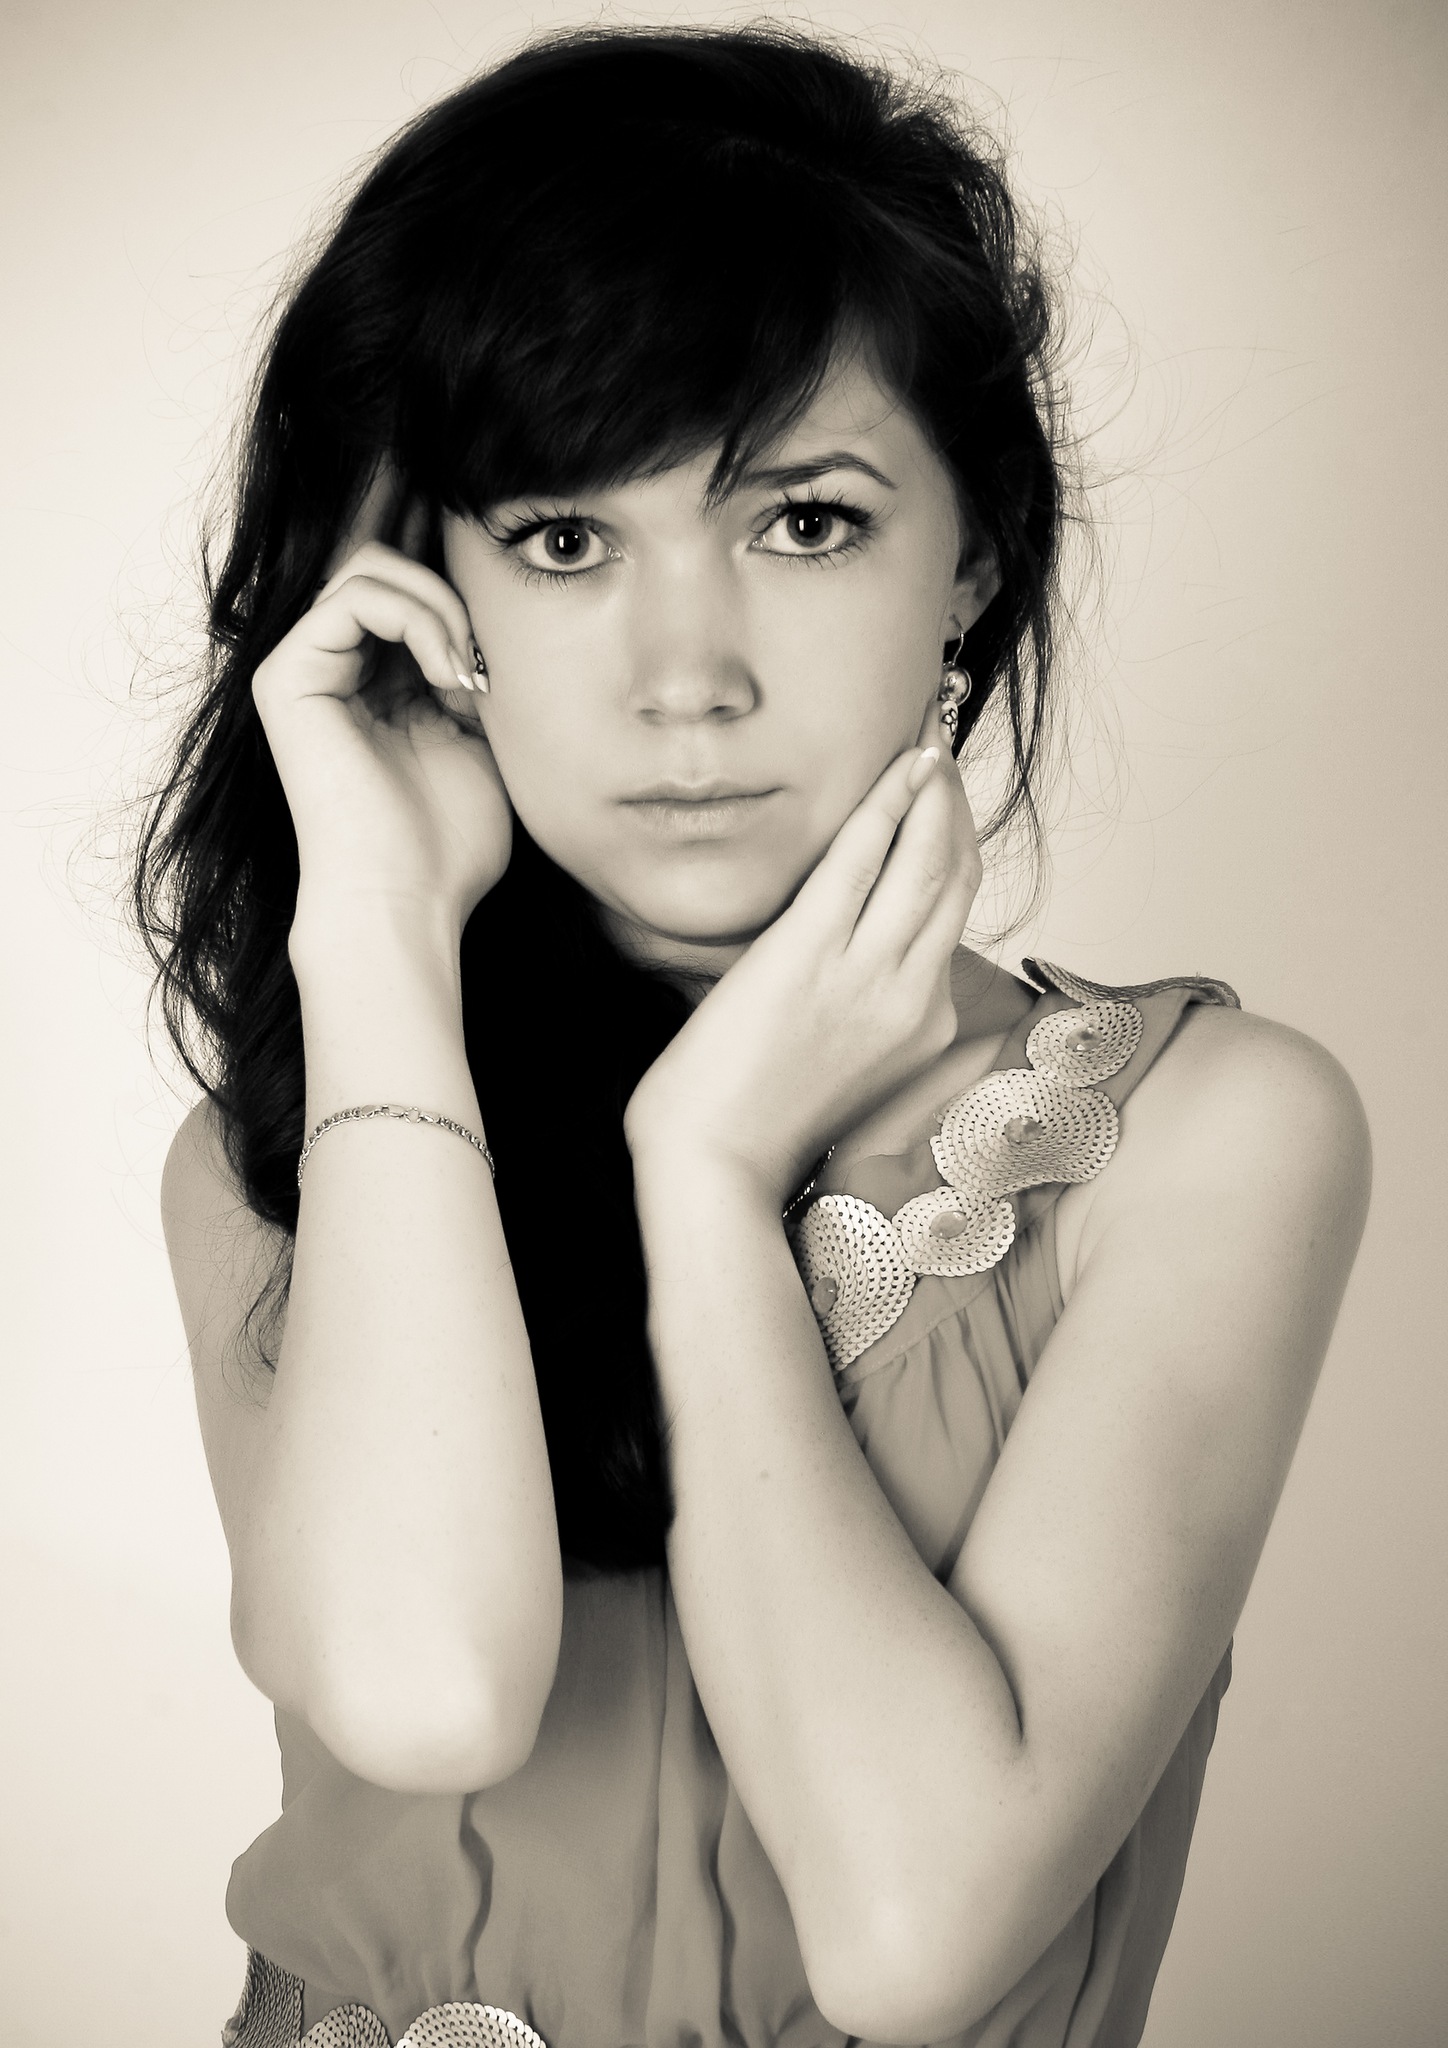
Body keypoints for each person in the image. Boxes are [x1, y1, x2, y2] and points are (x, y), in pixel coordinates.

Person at [139, 24, 1371, 2048]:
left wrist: (704, 1182)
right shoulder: (296, 1147)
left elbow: (910, 1937)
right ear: (420, 589)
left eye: (803, 522)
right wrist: (372, 930)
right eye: (562, 539)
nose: (685, 677)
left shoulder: (1205, 1137)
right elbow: (425, 1690)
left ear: (972, 552)